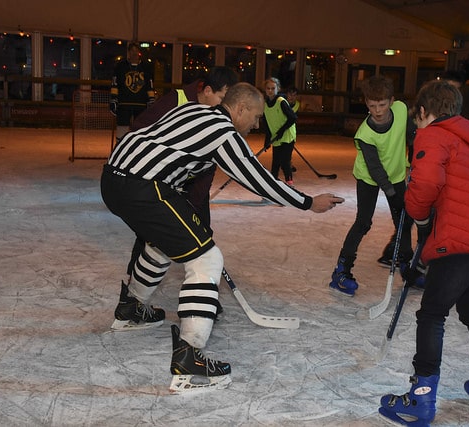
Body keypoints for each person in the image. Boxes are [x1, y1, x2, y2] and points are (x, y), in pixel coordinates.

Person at [100, 82, 344, 393]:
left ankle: (132, 309)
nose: (256, 125)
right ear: (240, 109)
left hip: (113, 177)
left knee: (162, 244)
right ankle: (190, 358)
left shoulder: (193, 110)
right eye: (254, 117)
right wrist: (308, 203)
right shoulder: (223, 132)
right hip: (142, 186)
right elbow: (258, 180)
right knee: (207, 259)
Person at [379, 79, 469, 426]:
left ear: (423, 112)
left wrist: (419, 215)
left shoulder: (433, 135)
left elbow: (425, 184)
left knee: (431, 314)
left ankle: (421, 399)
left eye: (416, 118)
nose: (416, 125)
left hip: (459, 238)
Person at [121, 66, 239, 307]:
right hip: (157, 184)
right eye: (221, 98)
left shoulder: (215, 117)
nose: (223, 107)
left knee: (203, 236)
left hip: (194, 188)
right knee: (149, 236)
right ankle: (132, 290)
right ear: (207, 90)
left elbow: (209, 161)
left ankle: (205, 295)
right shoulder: (177, 100)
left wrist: (194, 199)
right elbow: (140, 130)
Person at [329, 75, 413, 296]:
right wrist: (391, 192)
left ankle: (407, 265)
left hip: (396, 173)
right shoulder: (366, 133)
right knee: (363, 222)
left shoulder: (402, 110)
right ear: (366, 103)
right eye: (373, 105)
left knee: (403, 220)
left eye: (382, 105)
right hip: (369, 178)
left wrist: (417, 161)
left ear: (392, 101)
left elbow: (413, 135)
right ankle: (341, 272)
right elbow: (375, 168)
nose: (377, 110)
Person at [109, 41, 155, 140]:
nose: (134, 53)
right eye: (132, 51)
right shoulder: (120, 67)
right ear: (128, 52)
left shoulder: (146, 68)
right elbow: (115, 84)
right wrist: (113, 100)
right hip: (124, 104)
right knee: (121, 131)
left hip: (141, 105)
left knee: (140, 131)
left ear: (139, 52)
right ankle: (120, 150)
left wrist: (151, 100)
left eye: (136, 50)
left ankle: (138, 151)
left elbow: (149, 86)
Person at [263, 77, 297, 186]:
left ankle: (290, 185)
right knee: (275, 164)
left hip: (287, 136)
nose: (270, 91)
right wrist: (267, 140)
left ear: (278, 89)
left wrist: (282, 131)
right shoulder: (265, 105)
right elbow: (267, 124)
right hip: (276, 137)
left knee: (285, 162)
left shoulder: (281, 102)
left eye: (273, 88)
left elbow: (292, 118)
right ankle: (274, 187)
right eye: (268, 88)